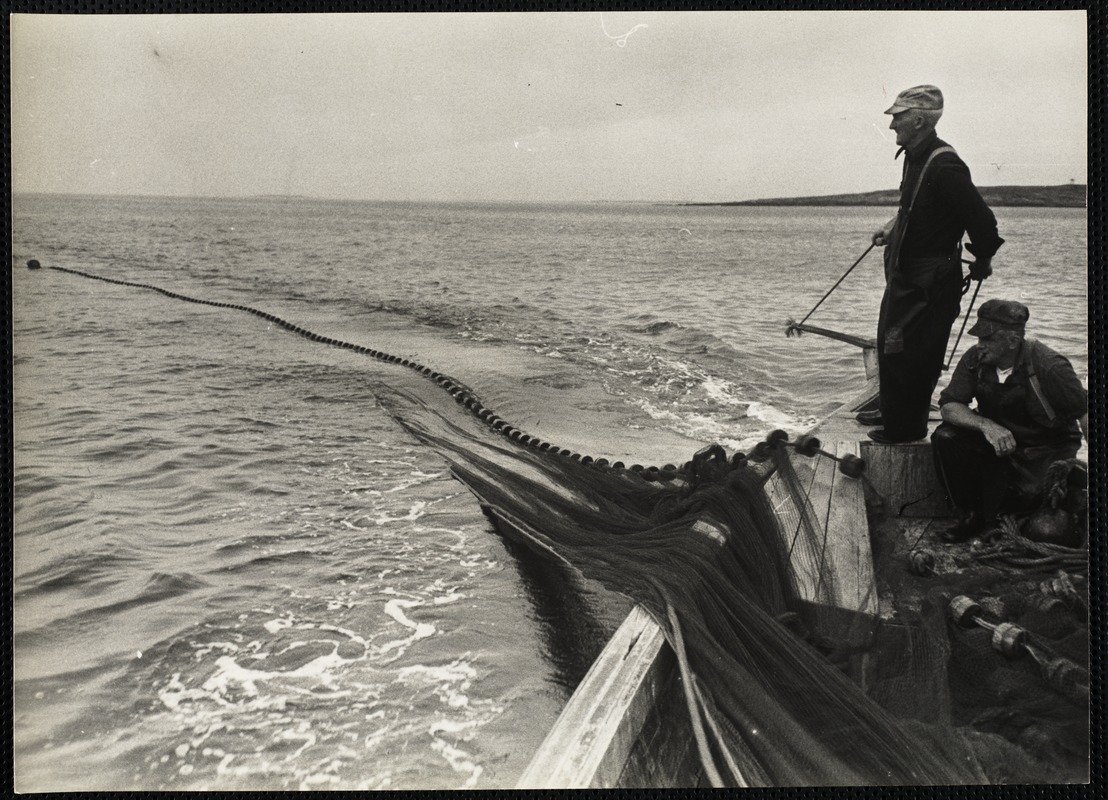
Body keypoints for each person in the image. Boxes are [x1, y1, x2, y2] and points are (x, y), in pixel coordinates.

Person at [863, 85, 1005, 443]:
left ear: (919, 120)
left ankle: (904, 430)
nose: (892, 124)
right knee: (892, 347)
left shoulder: (944, 164)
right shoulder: (914, 155)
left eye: (898, 117)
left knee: (912, 354)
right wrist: (891, 228)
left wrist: (982, 260)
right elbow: (914, 209)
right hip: (907, 277)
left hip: (930, 283)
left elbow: (983, 222)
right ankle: (896, 416)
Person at [930, 299, 1088, 543]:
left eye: (987, 339)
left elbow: (1086, 415)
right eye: (979, 338)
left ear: (1013, 342)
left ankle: (1067, 493)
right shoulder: (976, 359)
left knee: (1031, 503)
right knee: (946, 437)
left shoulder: (1049, 366)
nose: (979, 346)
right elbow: (950, 406)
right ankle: (973, 516)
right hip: (1001, 443)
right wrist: (987, 425)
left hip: (1045, 450)